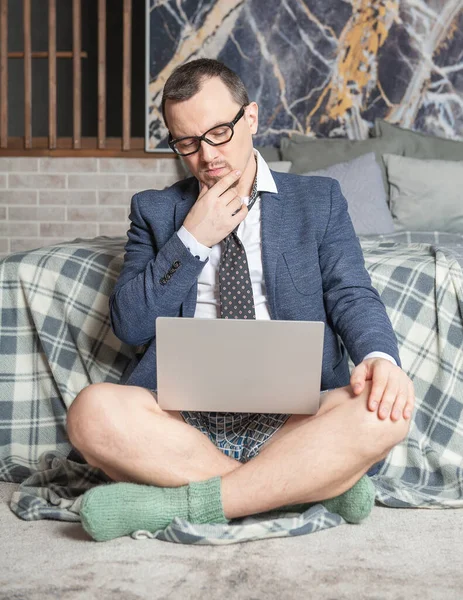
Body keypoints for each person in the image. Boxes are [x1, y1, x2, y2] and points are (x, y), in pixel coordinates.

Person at [67, 58, 415, 542]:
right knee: (90, 411)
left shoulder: (319, 200)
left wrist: (381, 358)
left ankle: (178, 503)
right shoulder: (155, 210)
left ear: (250, 118)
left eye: (218, 133)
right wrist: (192, 238)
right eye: (186, 142)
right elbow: (130, 323)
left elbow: (350, 292)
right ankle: (303, 486)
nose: (206, 155)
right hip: (181, 422)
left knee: (385, 412)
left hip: (298, 416)